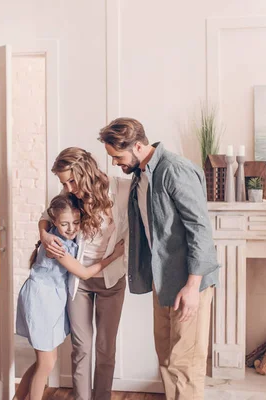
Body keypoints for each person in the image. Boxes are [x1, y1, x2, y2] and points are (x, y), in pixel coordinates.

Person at [98, 117, 221, 400]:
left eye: (117, 156)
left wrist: (192, 287)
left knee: (185, 364)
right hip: (162, 280)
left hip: (189, 283)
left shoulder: (175, 170)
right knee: (166, 359)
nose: (115, 163)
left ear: (138, 146)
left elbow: (200, 230)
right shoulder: (141, 175)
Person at [38, 147, 131, 400]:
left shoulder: (123, 190)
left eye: (71, 180)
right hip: (80, 280)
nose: (68, 188)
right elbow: (47, 216)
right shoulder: (69, 195)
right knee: (81, 349)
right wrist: (44, 234)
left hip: (112, 280)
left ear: (86, 171)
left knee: (105, 349)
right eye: (64, 182)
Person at [15, 193, 125, 400]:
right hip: (41, 301)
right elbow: (83, 273)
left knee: (43, 361)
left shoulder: (62, 236)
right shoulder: (57, 244)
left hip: (51, 300)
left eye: (76, 222)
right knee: (46, 363)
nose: (71, 228)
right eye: (64, 224)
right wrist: (114, 257)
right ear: (54, 222)